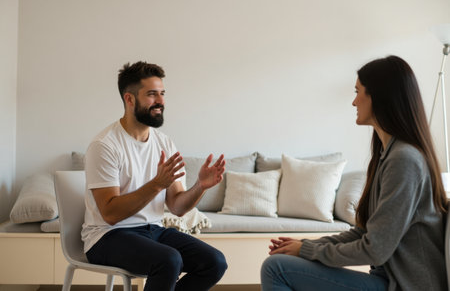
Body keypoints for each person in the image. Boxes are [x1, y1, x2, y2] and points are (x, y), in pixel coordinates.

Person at [260, 55, 448, 291]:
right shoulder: (388, 155)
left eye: (358, 91)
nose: (354, 102)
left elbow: (375, 250)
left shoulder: (404, 160)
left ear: (379, 97)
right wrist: (305, 245)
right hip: (388, 281)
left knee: (275, 268)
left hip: (405, 286)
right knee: (281, 263)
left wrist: (306, 250)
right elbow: (363, 233)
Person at [81, 61, 228, 291]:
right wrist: (157, 184)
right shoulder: (105, 145)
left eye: (162, 94)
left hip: (152, 230)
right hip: (106, 237)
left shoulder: (164, 142)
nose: (160, 101)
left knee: (214, 262)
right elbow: (110, 214)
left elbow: (177, 207)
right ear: (129, 99)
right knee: (169, 260)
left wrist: (201, 186)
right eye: (151, 94)